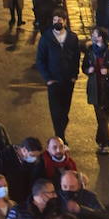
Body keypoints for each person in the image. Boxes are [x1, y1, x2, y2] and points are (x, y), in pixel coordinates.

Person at [36, 9, 81, 141]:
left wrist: (74, 75)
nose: (57, 22)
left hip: (68, 81)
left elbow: (76, 57)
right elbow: (40, 59)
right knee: (56, 112)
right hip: (53, 81)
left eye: (60, 20)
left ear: (65, 22)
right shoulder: (46, 38)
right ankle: (60, 137)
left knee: (64, 111)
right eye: (55, 20)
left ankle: (60, 132)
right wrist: (48, 78)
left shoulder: (72, 37)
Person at [83, 26, 109, 154]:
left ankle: (100, 141)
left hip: (108, 90)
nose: (94, 37)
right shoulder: (90, 51)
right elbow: (84, 67)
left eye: (96, 35)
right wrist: (88, 70)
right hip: (95, 88)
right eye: (93, 35)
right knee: (102, 118)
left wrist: (108, 71)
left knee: (104, 118)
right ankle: (107, 143)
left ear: (102, 37)